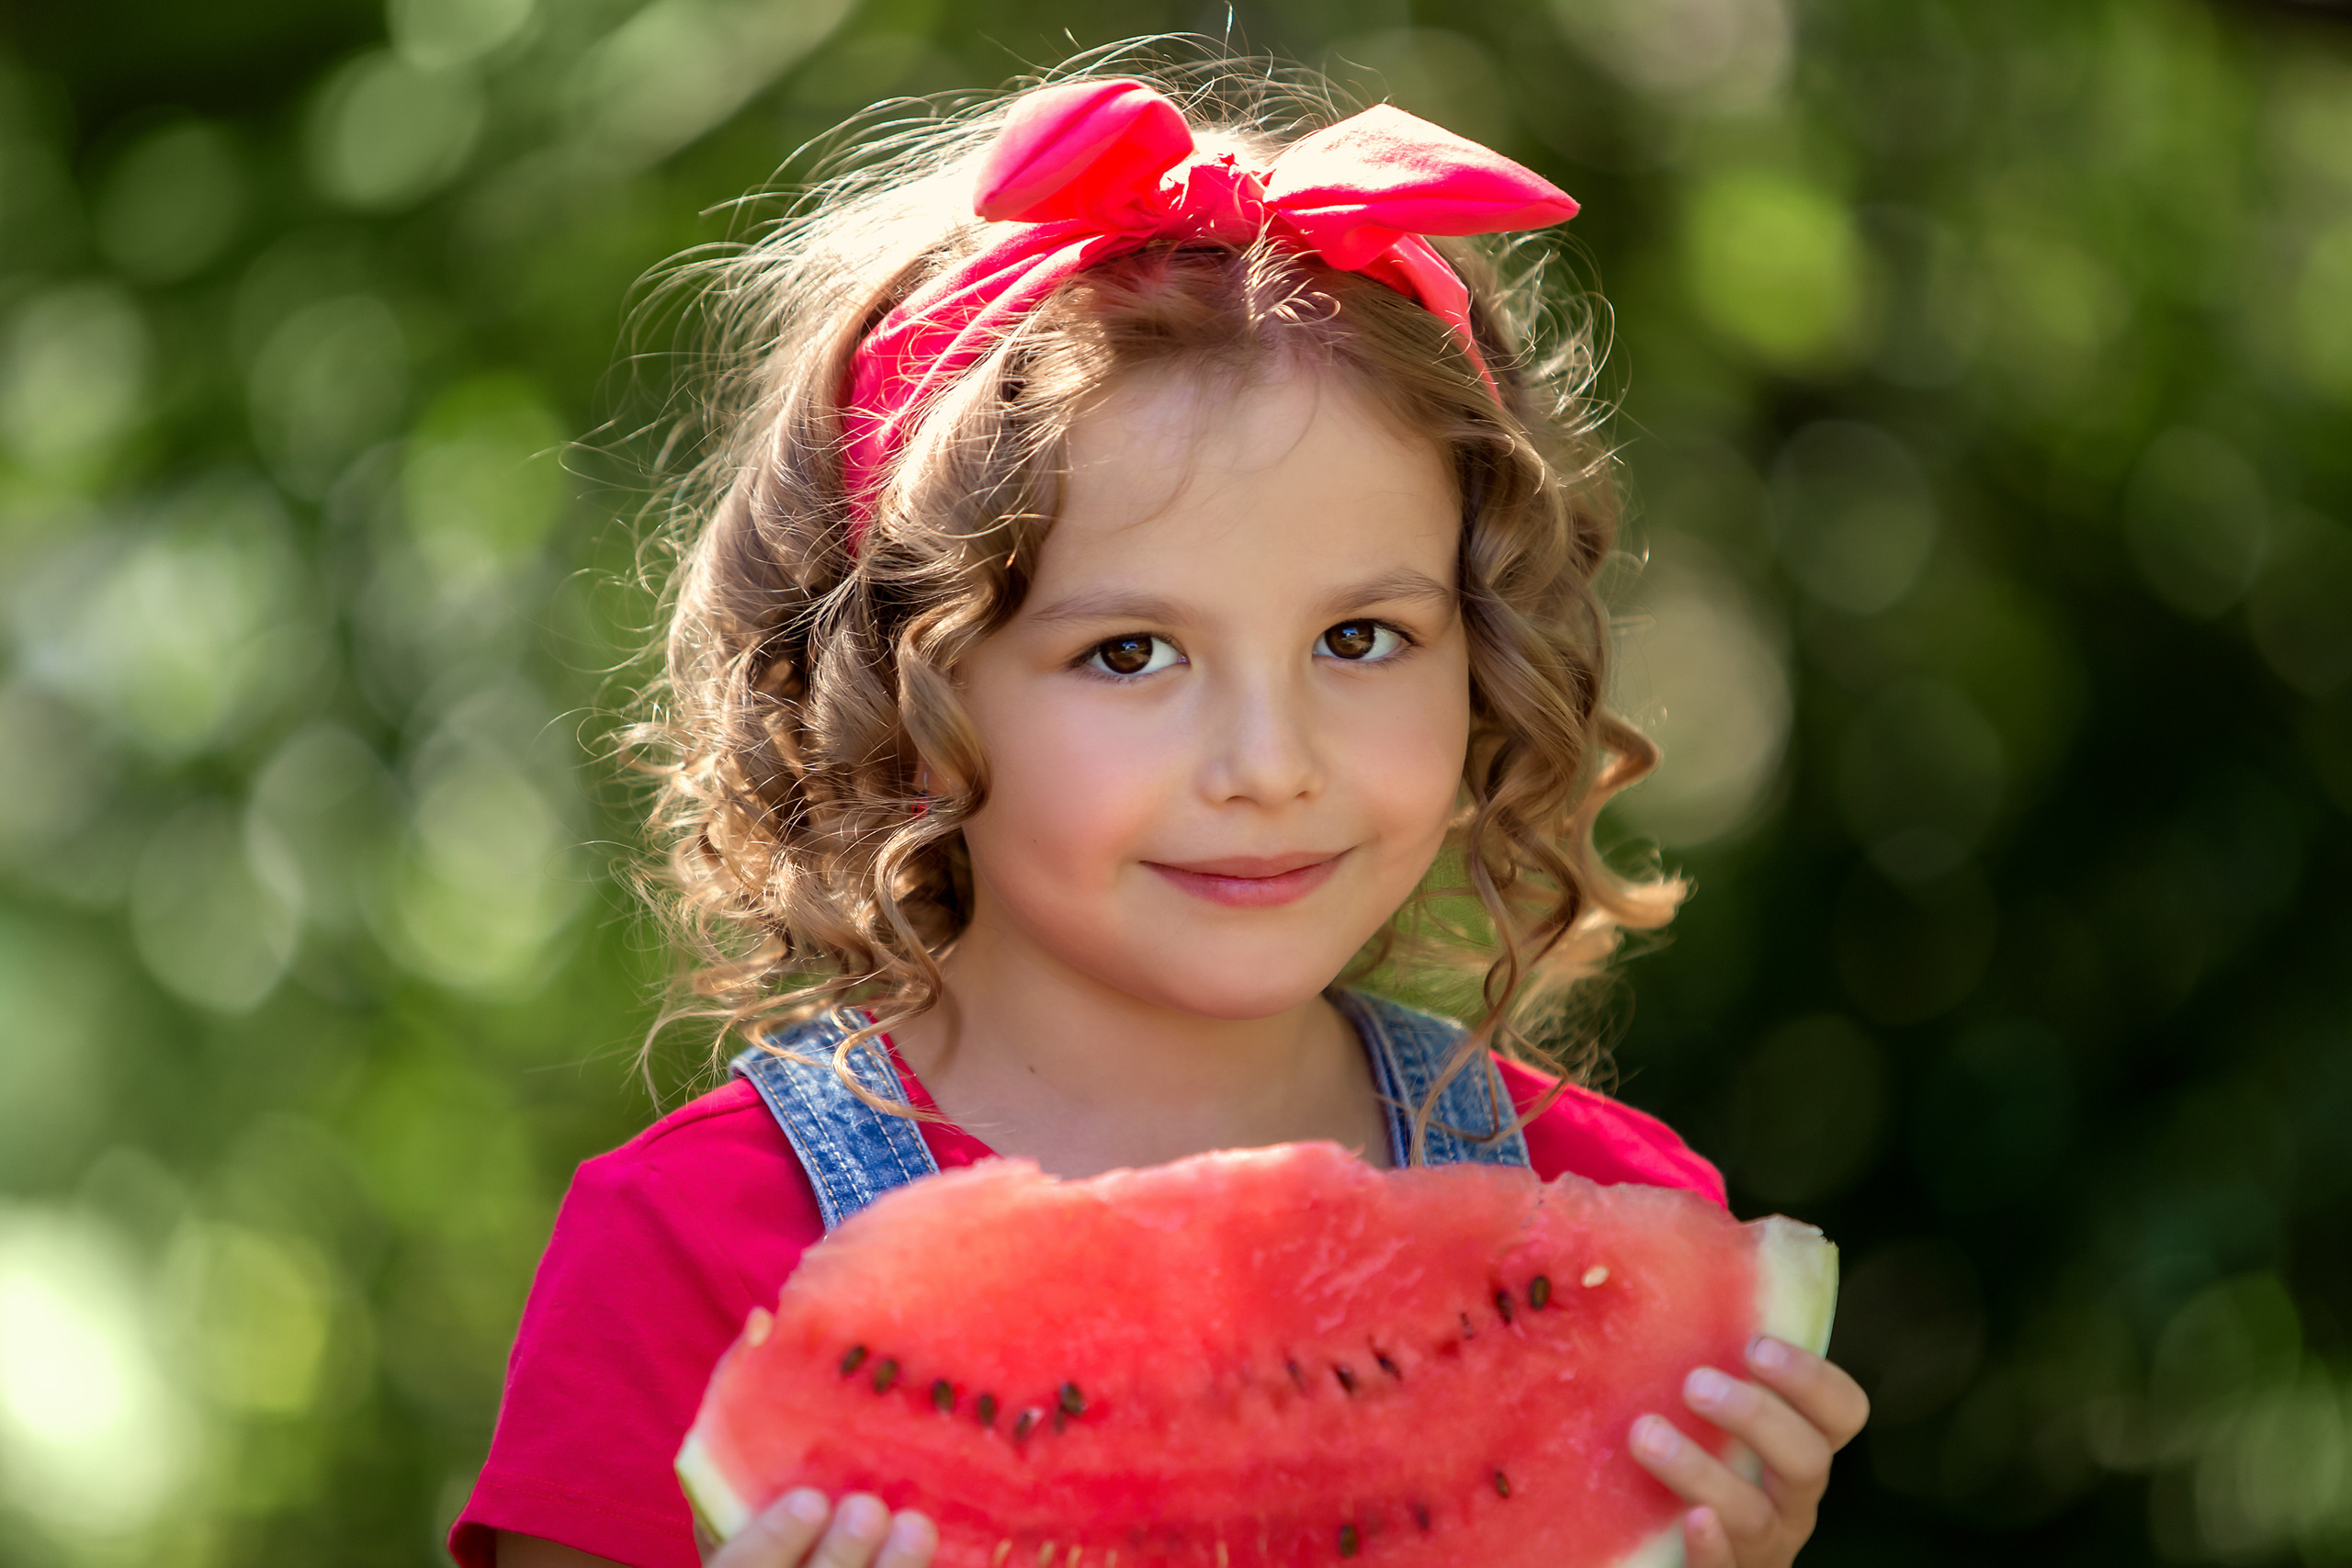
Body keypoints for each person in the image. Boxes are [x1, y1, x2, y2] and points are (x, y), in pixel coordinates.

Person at [452, 53, 1868, 1568]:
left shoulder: (1612, 1223)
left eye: (1362, 639)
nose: (1270, 761)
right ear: (903, 694)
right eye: (1131, 654)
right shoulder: (685, 1252)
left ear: (1487, 655)